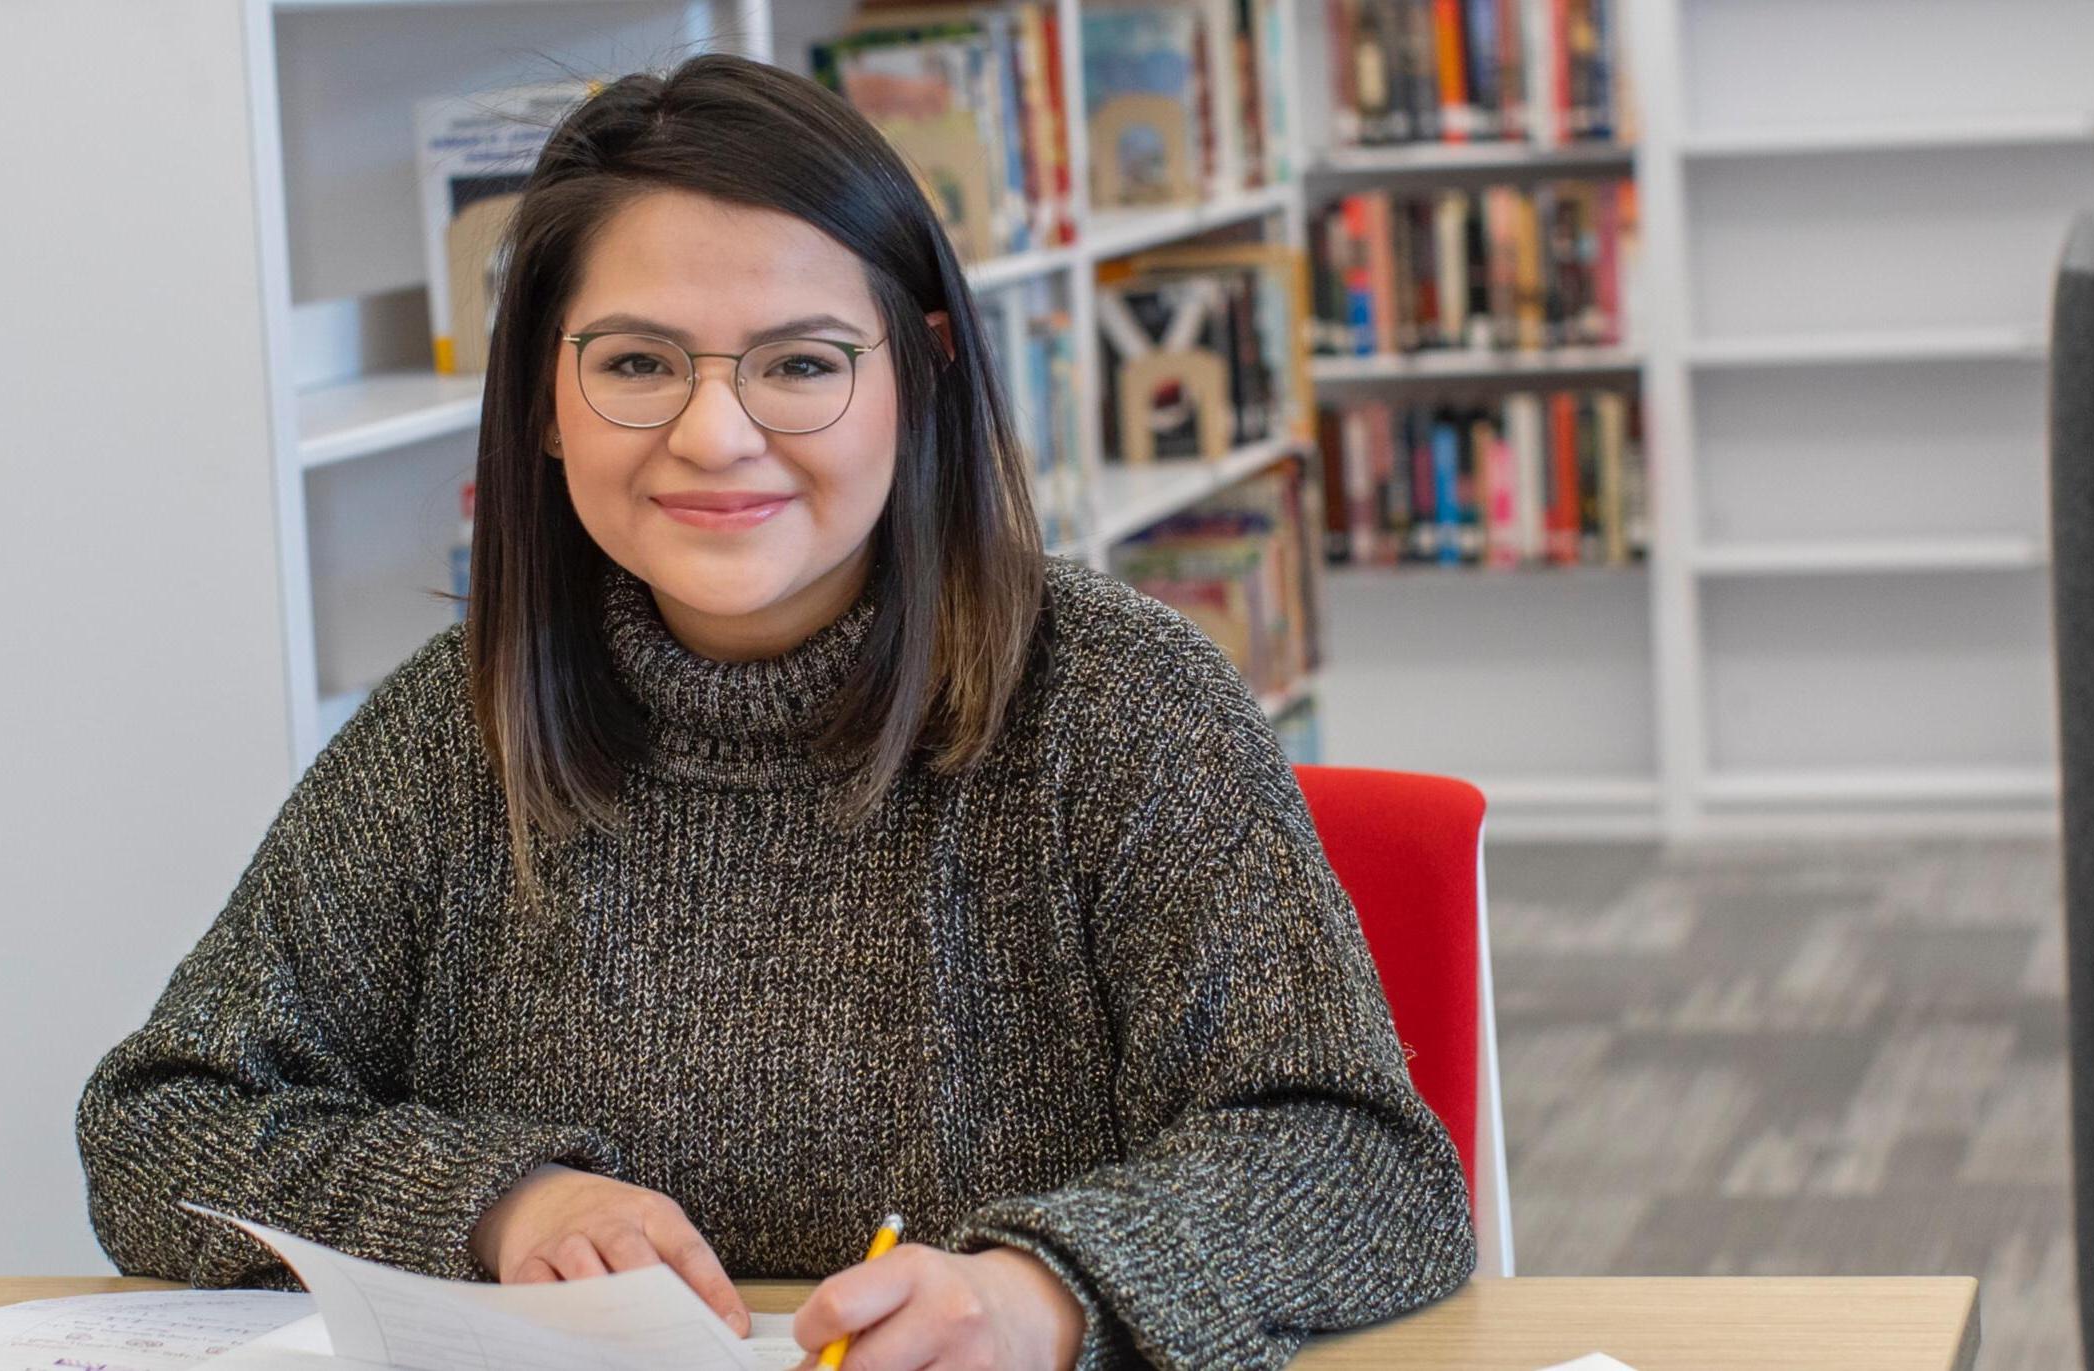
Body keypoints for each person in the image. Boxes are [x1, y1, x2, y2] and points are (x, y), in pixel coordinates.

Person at [78, 53, 1474, 1371]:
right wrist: (504, 1206)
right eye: (636, 365)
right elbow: (158, 1129)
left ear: (920, 375)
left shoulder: (1121, 703)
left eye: (802, 363)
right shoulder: (455, 728)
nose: (715, 434)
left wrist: (1036, 1294)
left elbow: (1359, 1161)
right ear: (547, 402)